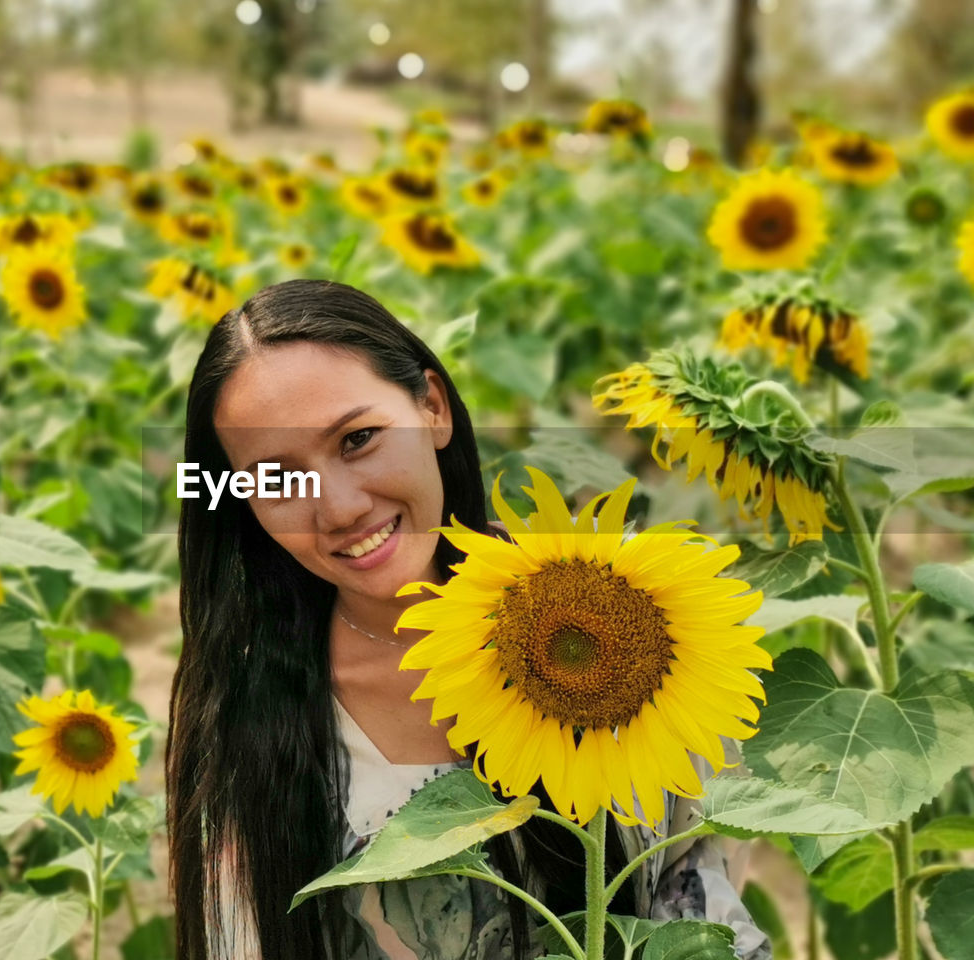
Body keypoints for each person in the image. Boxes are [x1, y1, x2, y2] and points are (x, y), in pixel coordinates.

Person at [167, 279, 771, 960]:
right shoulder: (252, 716)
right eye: (277, 480)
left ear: (432, 407)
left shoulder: (643, 613)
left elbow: (700, 903)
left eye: (358, 438)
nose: (336, 508)